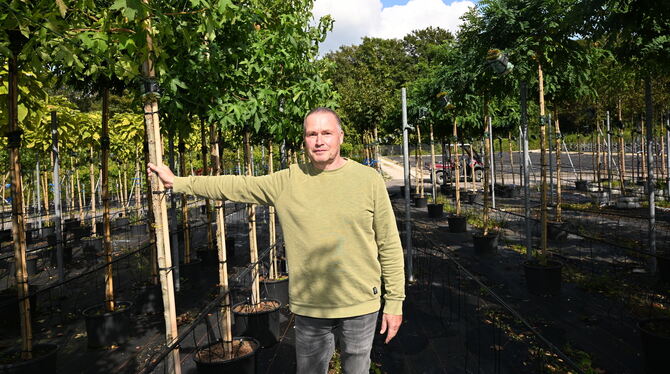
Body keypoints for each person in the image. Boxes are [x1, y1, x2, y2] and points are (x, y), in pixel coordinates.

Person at [148, 107, 405, 374]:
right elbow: (236, 186)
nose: (319, 141)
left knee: (357, 367)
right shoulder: (287, 181)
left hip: (361, 302)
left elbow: (389, 244)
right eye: (311, 134)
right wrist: (178, 182)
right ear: (304, 140)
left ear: (340, 136)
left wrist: (394, 302)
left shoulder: (368, 180)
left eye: (326, 133)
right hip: (311, 304)